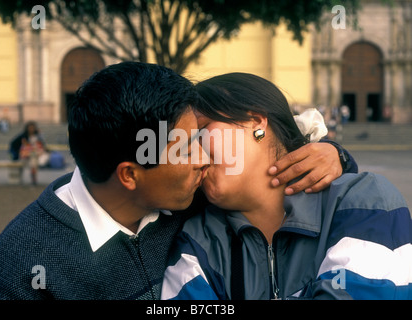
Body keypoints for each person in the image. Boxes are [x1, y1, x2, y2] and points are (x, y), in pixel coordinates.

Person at [0, 63, 352, 300]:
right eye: (188, 149)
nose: (205, 161)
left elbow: (268, 159)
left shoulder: (188, 197)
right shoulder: (20, 267)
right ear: (129, 175)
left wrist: (332, 153)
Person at [161, 73, 412, 300]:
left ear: (256, 122)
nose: (195, 155)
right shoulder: (197, 240)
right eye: (187, 145)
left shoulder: (362, 201)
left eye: (202, 132)